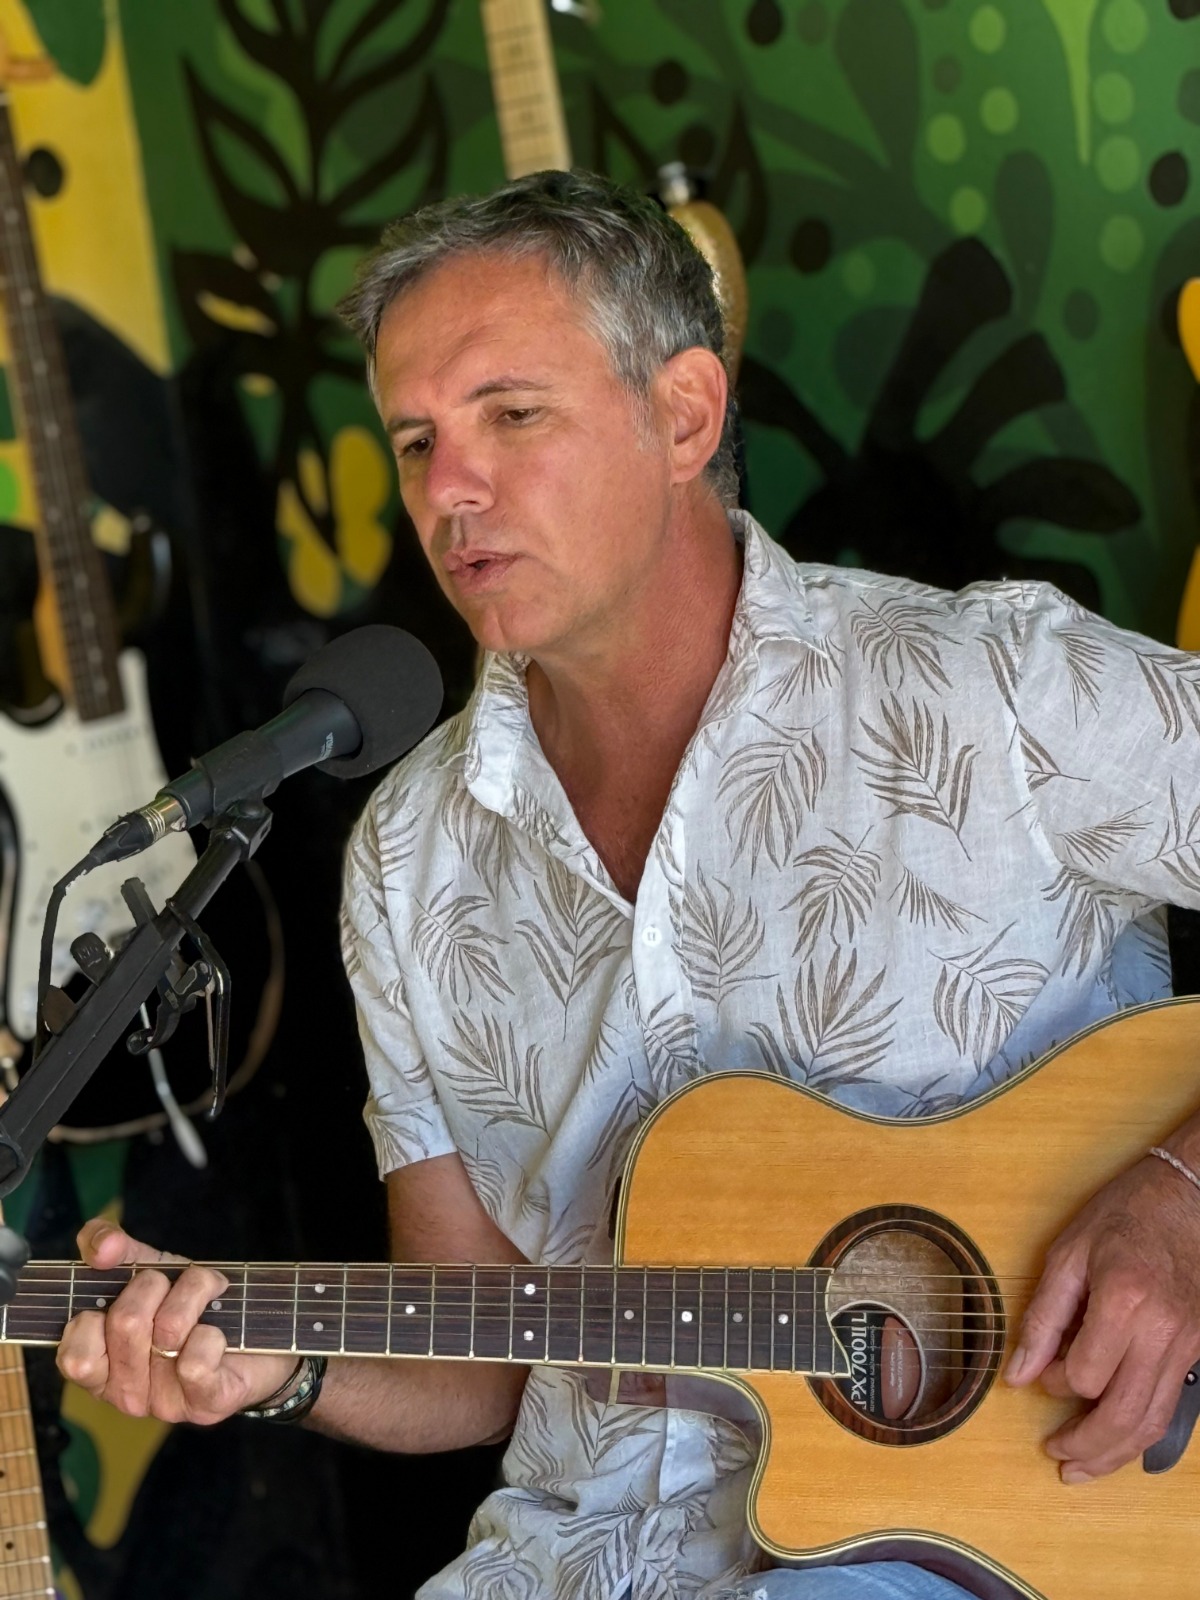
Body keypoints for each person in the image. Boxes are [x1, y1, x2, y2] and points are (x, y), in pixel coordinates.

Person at [57, 170, 1200, 1600]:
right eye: (415, 440)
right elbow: (480, 1350)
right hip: (570, 1559)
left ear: (685, 417)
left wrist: (1178, 1198)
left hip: (1009, 1544)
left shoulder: (990, 692)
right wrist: (273, 1369)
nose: (449, 489)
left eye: (510, 416)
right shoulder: (406, 860)